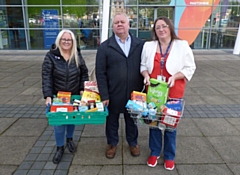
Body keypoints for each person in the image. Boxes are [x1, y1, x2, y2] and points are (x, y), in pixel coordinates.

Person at [140, 16, 196, 170]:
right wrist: (145, 75)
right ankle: (155, 152)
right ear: (155, 31)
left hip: (174, 91)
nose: (161, 30)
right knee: (154, 122)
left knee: (171, 124)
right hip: (155, 92)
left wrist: (175, 77)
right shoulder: (149, 46)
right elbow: (143, 65)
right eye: (158, 27)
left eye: (164, 26)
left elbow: (190, 67)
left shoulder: (182, 45)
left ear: (170, 27)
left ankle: (170, 155)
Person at [95, 12, 144, 159]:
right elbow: (100, 73)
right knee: (112, 121)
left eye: (123, 22)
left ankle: (133, 143)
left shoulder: (140, 44)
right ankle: (112, 144)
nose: (120, 24)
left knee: (132, 120)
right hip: (113, 92)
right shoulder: (105, 47)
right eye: (117, 23)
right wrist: (104, 95)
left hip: (134, 92)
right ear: (113, 26)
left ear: (129, 25)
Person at [42, 29, 89, 164]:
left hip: (74, 96)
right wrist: (48, 96)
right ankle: (60, 147)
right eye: (64, 39)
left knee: (72, 120)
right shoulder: (51, 56)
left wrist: (82, 89)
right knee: (59, 123)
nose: (66, 42)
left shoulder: (77, 55)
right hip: (58, 97)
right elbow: (46, 77)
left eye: (69, 40)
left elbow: (84, 73)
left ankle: (69, 139)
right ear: (59, 41)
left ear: (73, 42)